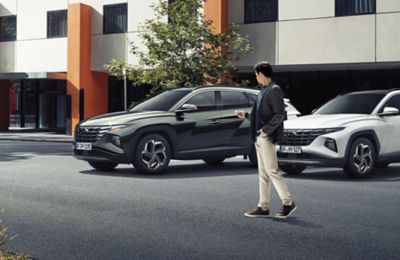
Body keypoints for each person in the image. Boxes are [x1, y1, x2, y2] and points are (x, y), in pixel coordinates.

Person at [236, 61, 296, 219]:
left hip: (266, 136)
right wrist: (247, 115)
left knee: (272, 171)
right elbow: (261, 115)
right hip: (259, 136)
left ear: (261, 74)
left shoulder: (274, 90)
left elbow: (280, 114)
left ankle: (288, 202)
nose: (256, 77)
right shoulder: (263, 91)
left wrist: (265, 131)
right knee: (263, 173)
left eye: (256, 74)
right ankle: (263, 207)